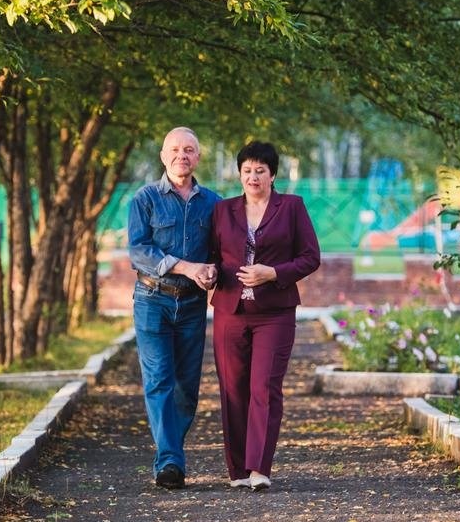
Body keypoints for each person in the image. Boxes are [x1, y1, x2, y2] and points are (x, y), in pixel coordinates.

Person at [210, 140, 320, 491]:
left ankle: (259, 468)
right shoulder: (222, 210)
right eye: (247, 171)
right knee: (233, 389)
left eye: (260, 170)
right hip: (231, 310)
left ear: (273, 174)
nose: (253, 176)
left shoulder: (291, 207)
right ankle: (238, 471)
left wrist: (272, 273)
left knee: (264, 387)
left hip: (275, 312)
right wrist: (208, 274)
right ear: (239, 174)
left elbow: (310, 257)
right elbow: (212, 255)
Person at [128, 126, 220, 490]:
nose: (182, 155)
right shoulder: (145, 198)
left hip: (193, 303)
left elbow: (220, 251)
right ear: (163, 157)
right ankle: (169, 461)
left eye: (189, 150)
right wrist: (186, 266)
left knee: (186, 387)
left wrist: (212, 271)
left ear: (198, 158)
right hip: (153, 300)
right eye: (175, 150)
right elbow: (139, 250)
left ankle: (171, 453)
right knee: (159, 380)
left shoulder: (212, 203)